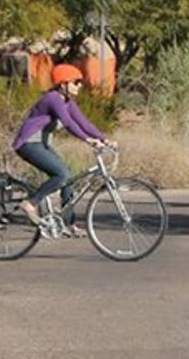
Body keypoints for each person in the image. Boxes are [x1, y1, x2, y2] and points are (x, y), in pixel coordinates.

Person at [12, 64, 113, 235]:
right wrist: (88, 140)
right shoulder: (53, 99)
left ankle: (69, 224)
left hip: (42, 144)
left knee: (68, 179)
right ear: (63, 84)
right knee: (62, 175)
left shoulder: (67, 102)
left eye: (80, 82)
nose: (79, 85)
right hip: (28, 144)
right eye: (76, 82)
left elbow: (83, 122)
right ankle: (31, 203)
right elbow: (68, 123)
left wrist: (104, 139)